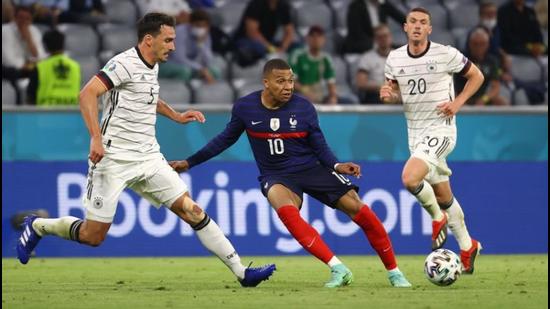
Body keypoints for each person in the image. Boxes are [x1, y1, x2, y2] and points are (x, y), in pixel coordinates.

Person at [16, 12, 276, 288]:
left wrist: (175, 115)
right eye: (169, 40)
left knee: (193, 211)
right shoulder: (122, 64)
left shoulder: (152, 64)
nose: (173, 46)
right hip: (113, 158)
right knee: (93, 236)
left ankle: (242, 273)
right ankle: (37, 226)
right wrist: (96, 138)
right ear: (149, 40)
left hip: (149, 156)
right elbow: (87, 94)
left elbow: (147, 96)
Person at [169, 58, 412, 288]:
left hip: (311, 168)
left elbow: (320, 146)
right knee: (287, 212)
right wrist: (189, 163)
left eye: (291, 81)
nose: (288, 87)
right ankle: (338, 269)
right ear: (266, 83)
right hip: (277, 175)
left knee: (358, 208)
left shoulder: (303, 107)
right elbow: (223, 141)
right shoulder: (245, 108)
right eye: (281, 81)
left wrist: (337, 166)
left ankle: (394, 272)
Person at [380, 7, 484, 274]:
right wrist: (388, 92)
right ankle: (467, 245)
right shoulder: (394, 58)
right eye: (412, 21)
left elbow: (477, 76)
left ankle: (437, 218)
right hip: (415, 134)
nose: (417, 26)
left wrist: (457, 103)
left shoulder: (445, 53)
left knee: (410, 178)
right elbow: (391, 86)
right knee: (443, 194)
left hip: (442, 130)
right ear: (404, 27)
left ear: (429, 29)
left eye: (423, 22)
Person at [159, 9, 219, 84]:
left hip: (189, 65)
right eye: (198, 25)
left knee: (215, 71)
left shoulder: (205, 34)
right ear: (190, 24)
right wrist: (200, 69)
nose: (201, 28)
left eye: (204, 26)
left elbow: (208, 61)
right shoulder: (180, 32)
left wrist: (201, 44)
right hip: (166, 64)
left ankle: (209, 95)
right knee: (184, 71)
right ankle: (176, 94)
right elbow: (179, 58)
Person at [232, 0, 296, 66]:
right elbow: (252, 32)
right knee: (257, 48)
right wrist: (271, 48)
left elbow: (289, 32)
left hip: (268, 41)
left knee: (296, 46)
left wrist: (282, 48)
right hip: (247, 40)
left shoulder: (283, 5)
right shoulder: (256, 4)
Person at [456, 28, 509, 106]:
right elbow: (453, 85)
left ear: (487, 45)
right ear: (469, 44)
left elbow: (495, 87)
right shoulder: (461, 60)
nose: (478, 47)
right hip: (462, 97)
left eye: (482, 44)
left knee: (501, 102)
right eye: (475, 44)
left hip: (482, 98)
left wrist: (484, 99)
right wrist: (461, 99)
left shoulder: (492, 61)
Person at [27, 30, 81, 105]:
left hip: (45, 114)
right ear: (63, 45)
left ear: (45, 47)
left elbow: (30, 98)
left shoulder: (39, 67)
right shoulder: (76, 66)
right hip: (70, 114)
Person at [289, 25, 338, 105]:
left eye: (319, 36)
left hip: (318, 93)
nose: (316, 39)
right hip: (300, 93)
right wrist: (305, 91)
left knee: (348, 101)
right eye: (313, 36)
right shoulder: (298, 56)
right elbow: (291, 81)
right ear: (308, 39)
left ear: (324, 40)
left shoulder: (326, 59)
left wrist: (333, 97)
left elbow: (331, 82)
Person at [355, 24, 394, 104]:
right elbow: (361, 83)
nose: (383, 39)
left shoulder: (400, 56)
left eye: (385, 36)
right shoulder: (367, 58)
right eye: (380, 37)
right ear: (375, 39)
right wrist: (381, 86)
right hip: (376, 93)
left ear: (390, 37)